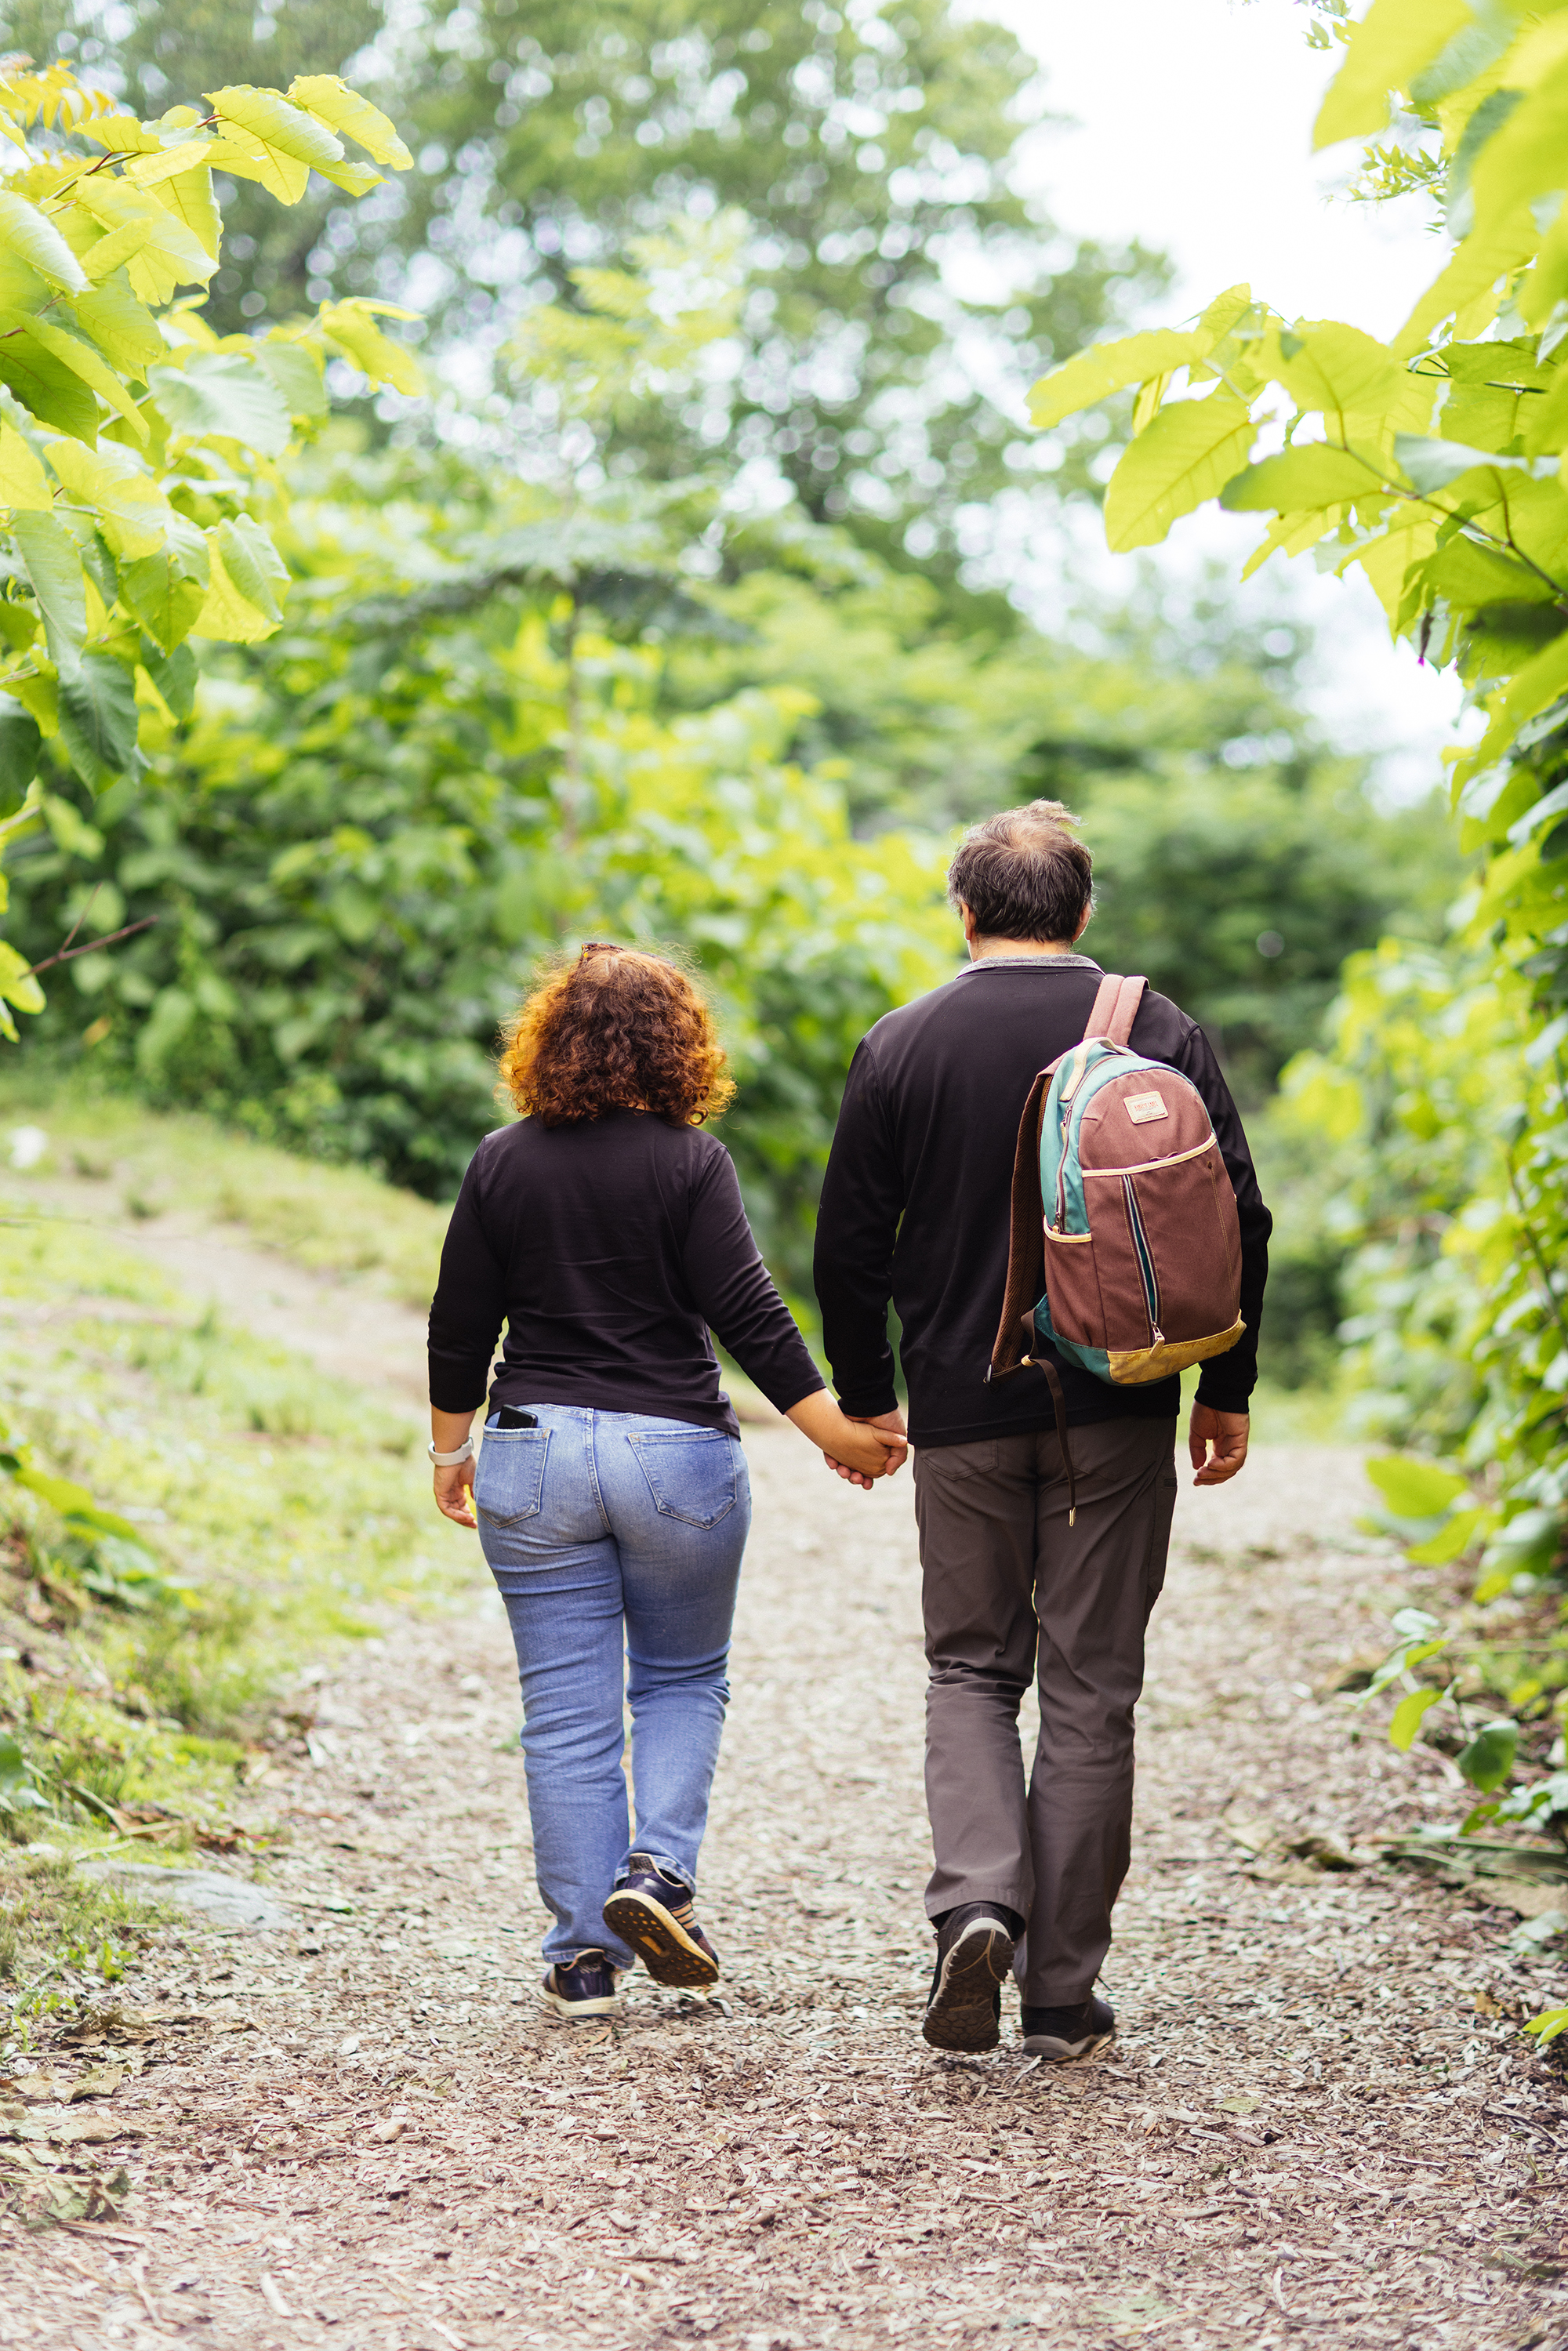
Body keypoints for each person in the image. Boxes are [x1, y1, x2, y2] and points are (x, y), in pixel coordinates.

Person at [812, 802, 1271, 2061]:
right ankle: (1061, 1997)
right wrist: (1225, 1390)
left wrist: (868, 1397)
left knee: (969, 1669)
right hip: (1120, 1402)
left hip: (962, 1408)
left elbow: (849, 1248)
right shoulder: (1158, 1028)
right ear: (1081, 913)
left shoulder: (900, 1043)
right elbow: (1238, 1217)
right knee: (1090, 1692)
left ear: (963, 912)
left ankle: (976, 1904)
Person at [427, 945, 906, 2020]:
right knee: (682, 1680)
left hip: (534, 1448)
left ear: (549, 1039)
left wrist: (452, 1455)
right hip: (675, 1455)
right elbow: (749, 1314)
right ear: (678, 1043)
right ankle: (657, 1875)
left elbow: (459, 1326)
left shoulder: (501, 1161)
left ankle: (583, 1960)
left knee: (564, 1710)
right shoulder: (692, 1164)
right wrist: (836, 1426)